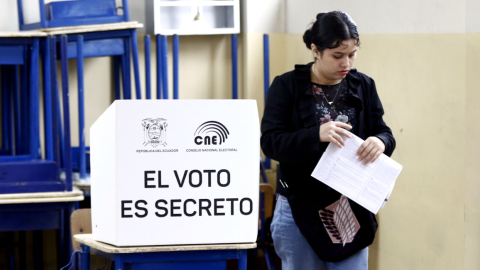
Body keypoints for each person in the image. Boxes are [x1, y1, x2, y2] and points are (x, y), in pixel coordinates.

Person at [260, 11, 396, 270]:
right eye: (337, 56)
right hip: (297, 208)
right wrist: (315, 135)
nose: (346, 63)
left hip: (349, 206)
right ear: (315, 50)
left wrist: (380, 142)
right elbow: (270, 142)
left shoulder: (363, 85)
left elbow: (384, 131)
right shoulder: (287, 86)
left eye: (352, 54)